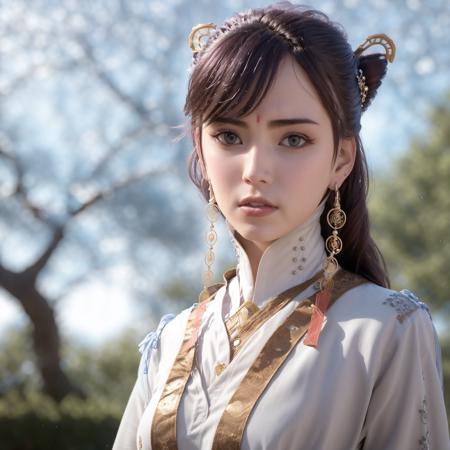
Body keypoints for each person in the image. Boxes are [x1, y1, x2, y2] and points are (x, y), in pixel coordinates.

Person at [113, 4, 450, 450]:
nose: (256, 170)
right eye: (229, 136)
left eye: (293, 139)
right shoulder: (170, 341)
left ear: (341, 158)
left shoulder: (388, 330)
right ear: (200, 146)